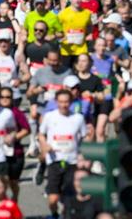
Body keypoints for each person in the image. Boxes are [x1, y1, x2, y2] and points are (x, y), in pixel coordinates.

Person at [38, 88, 86, 218]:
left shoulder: (78, 118)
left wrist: (82, 155)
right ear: (56, 102)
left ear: (71, 102)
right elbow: (41, 134)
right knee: (53, 199)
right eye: (61, 102)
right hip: (54, 160)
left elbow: (84, 137)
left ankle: (66, 215)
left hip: (72, 160)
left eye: (66, 102)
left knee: (68, 197)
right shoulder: (49, 117)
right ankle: (54, 214)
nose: (64, 105)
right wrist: (45, 145)